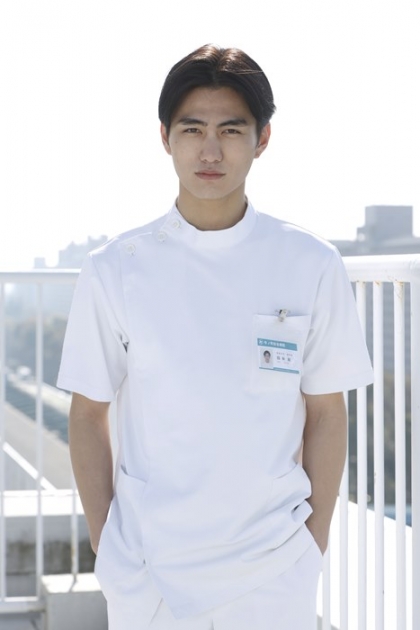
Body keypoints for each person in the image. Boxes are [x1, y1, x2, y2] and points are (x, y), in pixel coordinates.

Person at [57, 44, 374, 630]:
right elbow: (87, 412)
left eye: (230, 130)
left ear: (262, 138)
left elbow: (327, 412)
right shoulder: (116, 268)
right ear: (164, 137)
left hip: (272, 568)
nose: (210, 150)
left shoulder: (309, 262)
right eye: (192, 129)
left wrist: (313, 544)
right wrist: (109, 547)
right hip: (150, 572)